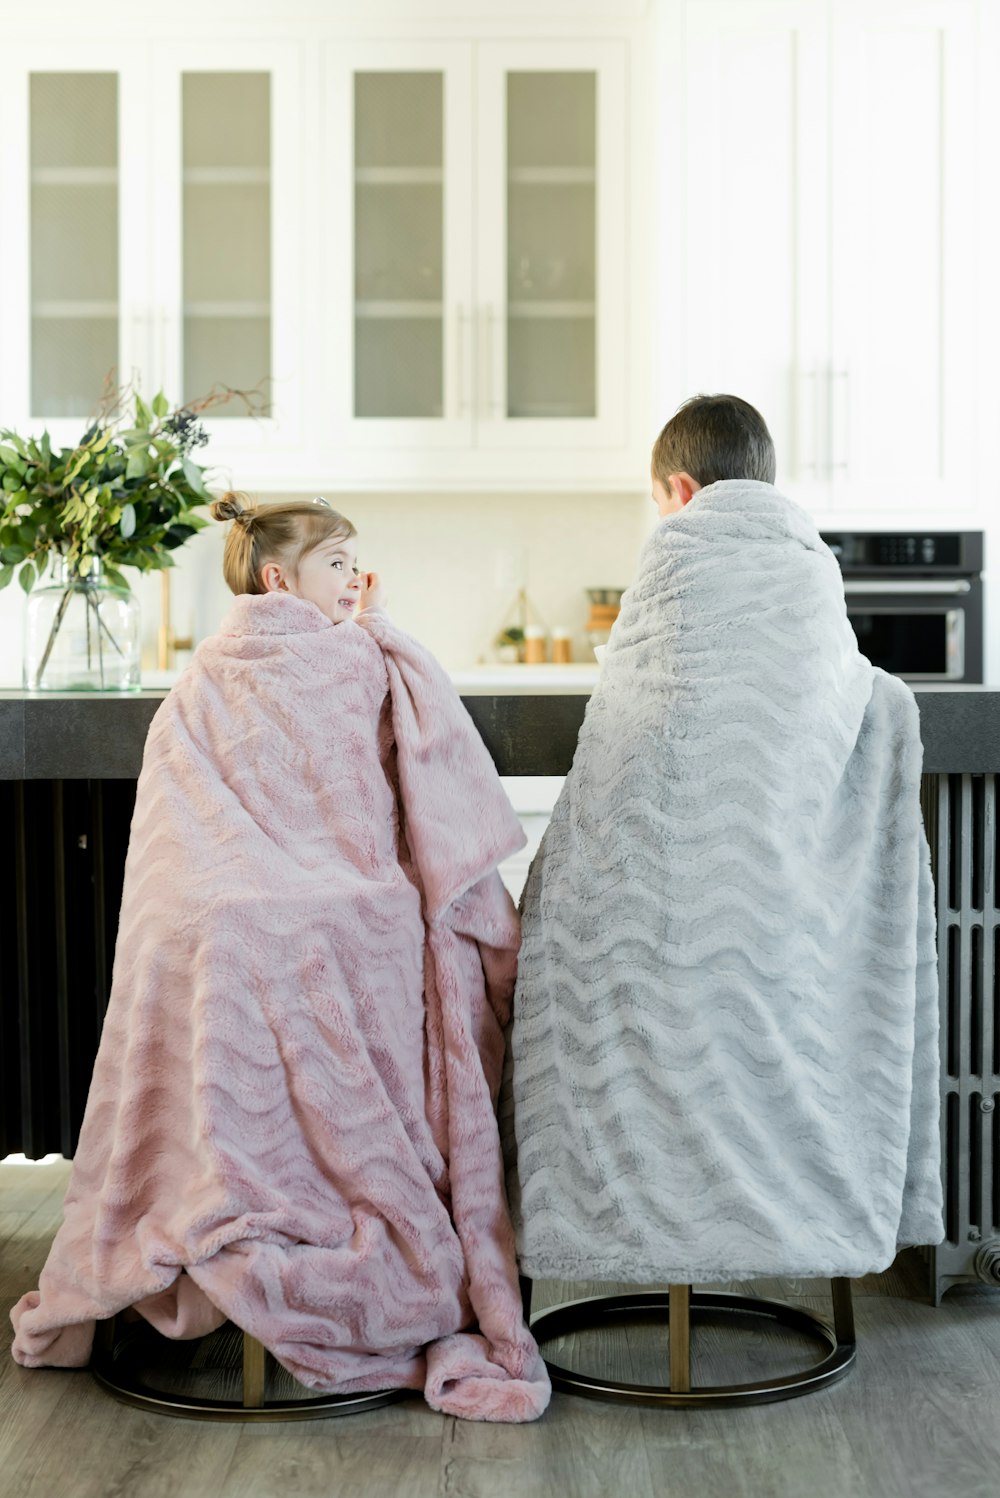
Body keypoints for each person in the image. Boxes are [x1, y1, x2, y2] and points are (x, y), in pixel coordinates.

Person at [12, 493, 550, 1423]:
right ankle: (295, 1217)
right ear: (277, 579)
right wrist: (379, 626)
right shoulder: (293, 665)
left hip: (276, 901)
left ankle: (245, 1216)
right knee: (308, 931)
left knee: (295, 930)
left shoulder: (285, 661)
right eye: (337, 563)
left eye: (354, 565)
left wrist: (371, 620)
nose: (354, 579)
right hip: (292, 902)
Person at [503, 395, 944, 1288]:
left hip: (649, 926)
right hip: (776, 929)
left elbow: (634, 712)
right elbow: (844, 695)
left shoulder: (679, 555)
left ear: (678, 488)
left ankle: (623, 1235)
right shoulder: (810, 571)